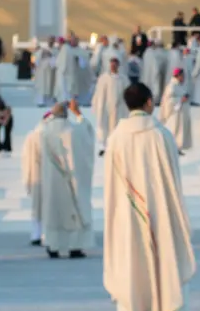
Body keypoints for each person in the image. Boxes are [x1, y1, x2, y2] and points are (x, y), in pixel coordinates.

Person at [103, 82, 195, 311]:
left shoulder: (116, 138)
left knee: (131, 261)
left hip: (126, 214)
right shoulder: (161, 135)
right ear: (148, 103)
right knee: (163, 259)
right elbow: (172, 181)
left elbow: (111, 185)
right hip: (160, 212)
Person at [40, 99, 96, 259]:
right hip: (72, 180)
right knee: (74, 211)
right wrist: (78, 113)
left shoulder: (45, 132)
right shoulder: (73, 131)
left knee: (54, 213)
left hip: (53, 181)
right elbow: (88, 134)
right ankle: (75, 247)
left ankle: (53, 245)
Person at [21, 112, 50, 246]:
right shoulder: (51, 135)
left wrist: (27, 178)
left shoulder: (31, 136)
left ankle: (36, 233)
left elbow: (25, 159)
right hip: (48, 176)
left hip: (35, 176)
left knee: (36, 207)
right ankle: (45, 233)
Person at [92, 57, 129, 153]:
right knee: (105, 127)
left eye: (115, 64)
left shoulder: (123, 79)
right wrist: (98, 106)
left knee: (117, 127)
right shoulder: (104, 78)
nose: (113, 66)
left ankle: (117, 146)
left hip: (119, 108)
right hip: (106, 108)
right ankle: (104, 146)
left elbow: (128, 93)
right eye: (112, 64)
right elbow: (99, 93)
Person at [159, 68, 192, 152]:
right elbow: (168, 100)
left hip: (181, 113)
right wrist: (180, 99)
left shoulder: (180, 85)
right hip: (174, 113)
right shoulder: (171, 86)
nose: (184, 78)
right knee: (174, 129)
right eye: (182, 76)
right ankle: (173, 148)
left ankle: (178, 148)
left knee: (180, 131)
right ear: (178, 76)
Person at [33, 39, 56, 106]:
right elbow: (36, 61)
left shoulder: (55, 51)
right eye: (49, 40)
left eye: (52, 40)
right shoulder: (41, 51)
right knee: (41, 87)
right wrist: (42, 53)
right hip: (41, 74)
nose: (50, 42)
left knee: (49, 88)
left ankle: (49, 102)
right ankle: (40, 101)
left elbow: (55, 63)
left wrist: (51, 56)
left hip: (50, 74)